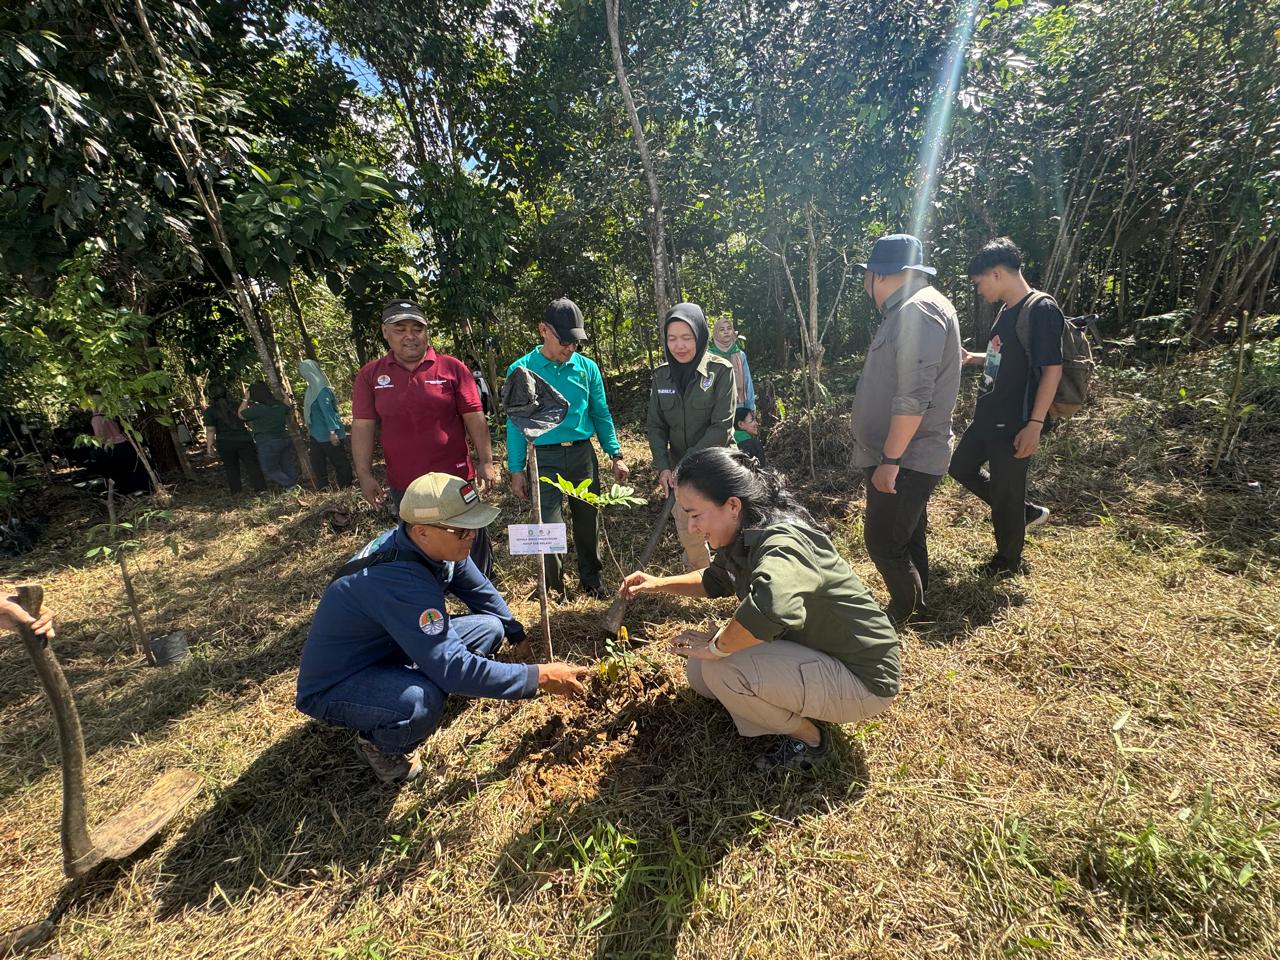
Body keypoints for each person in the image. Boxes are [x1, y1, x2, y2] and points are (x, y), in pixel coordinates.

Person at [618, 447, 899, 774]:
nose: (692, 528)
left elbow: (771, 607)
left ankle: (811, 740)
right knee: (700, 671)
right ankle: (765, 702)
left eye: (695, 515)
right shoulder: (745, 529)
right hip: (824, 654)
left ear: (732, 505)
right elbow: (716, 580)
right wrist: (657, 583)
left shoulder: (784, 541)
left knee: (722, 669)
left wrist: (718, 646)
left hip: (864, 680)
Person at [296, 472, 590, 783]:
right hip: (341, 680)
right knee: (421, 702)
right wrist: (539, 676)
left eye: (474, 525)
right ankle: (380, 745)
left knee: (490, 628)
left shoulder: (435, 548)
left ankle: (412, 681)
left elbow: (481, 592)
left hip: (394, 645)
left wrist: (516, 633)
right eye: (462, 530)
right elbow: (454, 670)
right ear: (422, 531)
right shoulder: (400, 581)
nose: (472, 536)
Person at [851, 233, 961, 626]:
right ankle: (917, 605)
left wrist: (891, 459)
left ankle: (904, 615)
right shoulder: (912, 309)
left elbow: (913, 397)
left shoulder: (918, 311)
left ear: (878, 276)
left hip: (906, 458)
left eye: (867, 279)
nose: (867, 289)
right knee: (907, 535)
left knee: (883, 544)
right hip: (904, 456)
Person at [352, 299, 497, 578]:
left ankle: (484, 593)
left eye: (417, 328)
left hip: (455, 480)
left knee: (470, 538)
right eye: (400, 328)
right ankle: (429, 597)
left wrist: (486, 461)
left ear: (426, 331)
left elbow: (475, 418)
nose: (410, 336)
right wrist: (364, 474)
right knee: (419, 544)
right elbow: (362, 427)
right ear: (385, 332)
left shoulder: (452, 368)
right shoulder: (371, 376)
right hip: (405, 484)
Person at [949, 238, 1064, 577]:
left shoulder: (1040, 309)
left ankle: (1008, 563)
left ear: (996, 274)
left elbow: (1052, 369)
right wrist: (975, 358)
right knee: (960, 467)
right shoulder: (1007, 309)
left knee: (1005, 492)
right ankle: (1023, 511)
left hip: (1015, 420)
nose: (978, 290)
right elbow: (1007, 357)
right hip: (988, 416)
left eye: (979, 282)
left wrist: (1034, 424)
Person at [506, 298, 630, 599]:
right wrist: (516, 469)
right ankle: (553, 588)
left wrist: (615, 455)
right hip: (542, 457)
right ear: (543, 331)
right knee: (548, 525)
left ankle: (592, 581)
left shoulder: (586, 368)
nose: (570, 348)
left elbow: (600, 414)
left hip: (580, 454)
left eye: (575, 342)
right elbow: (515, 423)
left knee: (588, 520)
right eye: (565, 341)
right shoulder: (521, 369)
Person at [646, 303, 735, 570]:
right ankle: (701, 578)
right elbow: (656, 426)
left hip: (717, 465)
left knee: (727, 527)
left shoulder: (721, 371)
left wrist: (684, 464)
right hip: (677, 472)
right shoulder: (662, 376)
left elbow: (722, 427)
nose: (679, 346)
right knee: (689, 528)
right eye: (672, 339)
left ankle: (734, 575)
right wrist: (663, 466)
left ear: (700, 335)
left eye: (687, 337)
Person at [203, 381, 267, 495]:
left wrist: (209, 447)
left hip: (225, 443)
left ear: (210, 395)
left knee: (231, 468)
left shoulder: (210, 411)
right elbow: (249, 421)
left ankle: (236, 492)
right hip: (244, 439)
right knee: (252, 465)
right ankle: (261, 489)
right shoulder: (238, 405)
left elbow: (210, 430)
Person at [299, 359, 354, 489]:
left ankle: (346, 486)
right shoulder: (311, 390)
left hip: (328, 434)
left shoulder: (322, 390)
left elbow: (328, 411)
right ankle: (324, 487)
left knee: (339, 461)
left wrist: (333, 432)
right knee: (317, 463)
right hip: (316, 434)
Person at [239, 381, 298, 489]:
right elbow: (287, 407)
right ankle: (291, 486)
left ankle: (290, 485)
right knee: (287, 465)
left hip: (267, 442)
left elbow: (241, 415)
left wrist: (245, 399)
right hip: (284, 439)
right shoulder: (279, 405)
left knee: (269, 469)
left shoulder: (258, 409)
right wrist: (285, 396)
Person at [89, 407, 150, 494]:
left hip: (113, 448)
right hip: (125, 444)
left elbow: (100, 437)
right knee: (133, 471)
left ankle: (131, 492)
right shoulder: (112, 415)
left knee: (121, 474)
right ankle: (141, 490)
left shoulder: (97, 418)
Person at [708, 317, 755, 410]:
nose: (726, 332)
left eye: (729, 328)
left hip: (739, 404)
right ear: (716, 333)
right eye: (722, 329)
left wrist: (750, 407)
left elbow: (747, 381)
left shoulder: (740, 355)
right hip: (717, 406)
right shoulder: (709, 355)